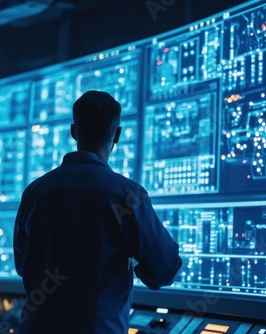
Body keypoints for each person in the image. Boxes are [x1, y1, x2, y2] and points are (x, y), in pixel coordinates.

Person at [13, 90, 182, 333]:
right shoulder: (127, 195)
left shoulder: (34, 192)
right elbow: (164, 270)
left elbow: (23, 266)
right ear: (117, 135)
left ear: (74, 131)